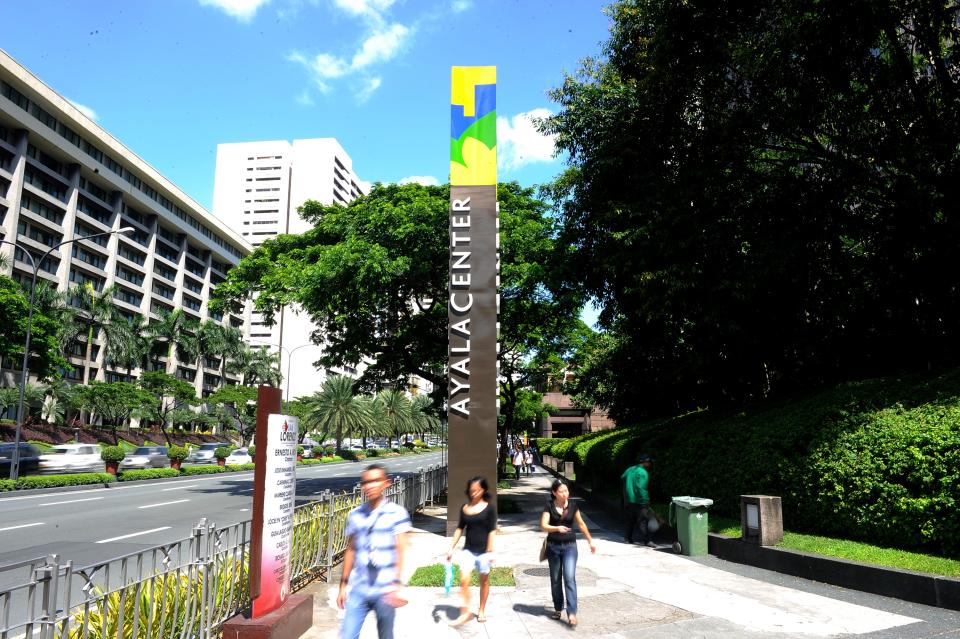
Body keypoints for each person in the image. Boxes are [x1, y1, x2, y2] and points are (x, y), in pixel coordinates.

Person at [338, 463, 411, 639]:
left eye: (376, 481)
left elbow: (402, 549)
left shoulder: (397, 513)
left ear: (386, 483)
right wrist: (343, 585)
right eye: (366, 482)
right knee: (347, 635)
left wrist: (395, 583)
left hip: (385, 591)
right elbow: (351, 550)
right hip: (359, 589)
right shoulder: (355, 514)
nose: (370, 486)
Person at [540, 479, 597, 627]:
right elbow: (543, 525)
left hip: (570, 546)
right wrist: (556, 529)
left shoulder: (573, 505)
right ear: (554, 493)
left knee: (570, 577)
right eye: (561, 491)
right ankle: (558, 608)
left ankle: (571, 613)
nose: (565, 494)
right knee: (555, 579)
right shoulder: (549, 506)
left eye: (566, 490)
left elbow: (581, 524)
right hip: (553, 547)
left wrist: (590, 541)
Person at [446, 476, 498, 625]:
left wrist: (490, 550)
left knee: (484, 581)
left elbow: (492, 530)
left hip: (484, 551)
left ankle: (481, 609)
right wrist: (451, 548)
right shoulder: (465, 508)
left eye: (477, 490)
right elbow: (459, 529)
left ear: (483, 490)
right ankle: (465, 611)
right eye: (471, 490)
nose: (474, 493)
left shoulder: (489, 508)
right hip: (468, 551)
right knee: (464, 580)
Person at [621, 453, 657, 547]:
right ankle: (647, 541)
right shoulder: (643, 472)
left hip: (628, 500)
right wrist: (646, 500)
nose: (650, 464)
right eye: (649, 462)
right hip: (639, 501)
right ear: (645, 462)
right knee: (643, 521)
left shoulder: (630, 469)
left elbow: (622, 477)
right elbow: (640, 488)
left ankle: (627, 538)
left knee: (630, 520)